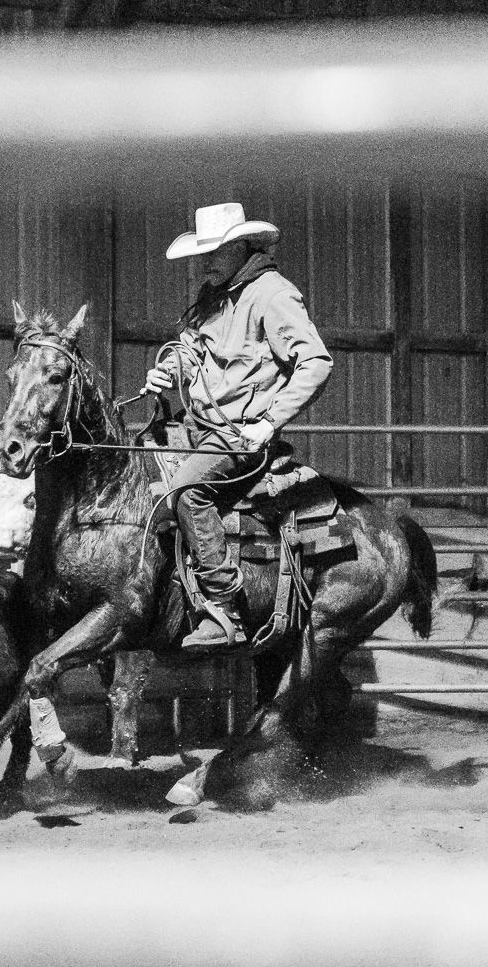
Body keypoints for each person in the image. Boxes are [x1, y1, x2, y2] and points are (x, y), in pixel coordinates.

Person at [143, 202, 333, 649]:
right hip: (197, 428)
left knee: (186, 494)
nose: (205, 262)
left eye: (216, 250)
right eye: (202, 252)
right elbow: (188, 347)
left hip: (239, 434)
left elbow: (316, 362)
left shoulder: (273, 294)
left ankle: (224, 609)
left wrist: (269, 423)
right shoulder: (213, 295)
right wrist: (167, 371)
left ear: (244, 247)